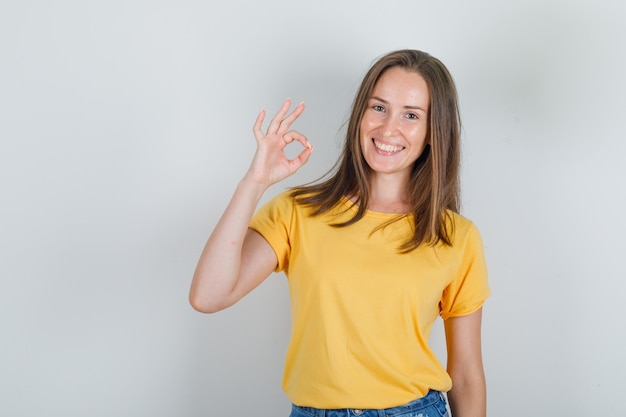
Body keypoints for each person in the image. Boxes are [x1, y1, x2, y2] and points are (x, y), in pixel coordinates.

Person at [189, 49, 490, 417]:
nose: (388, 128)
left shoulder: (455, 236)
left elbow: (466, 373)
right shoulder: (298, 212)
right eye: (378, 107)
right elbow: (208, 295)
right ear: (360, 114)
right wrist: (254, 182)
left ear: (432, 133)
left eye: (411, 115)